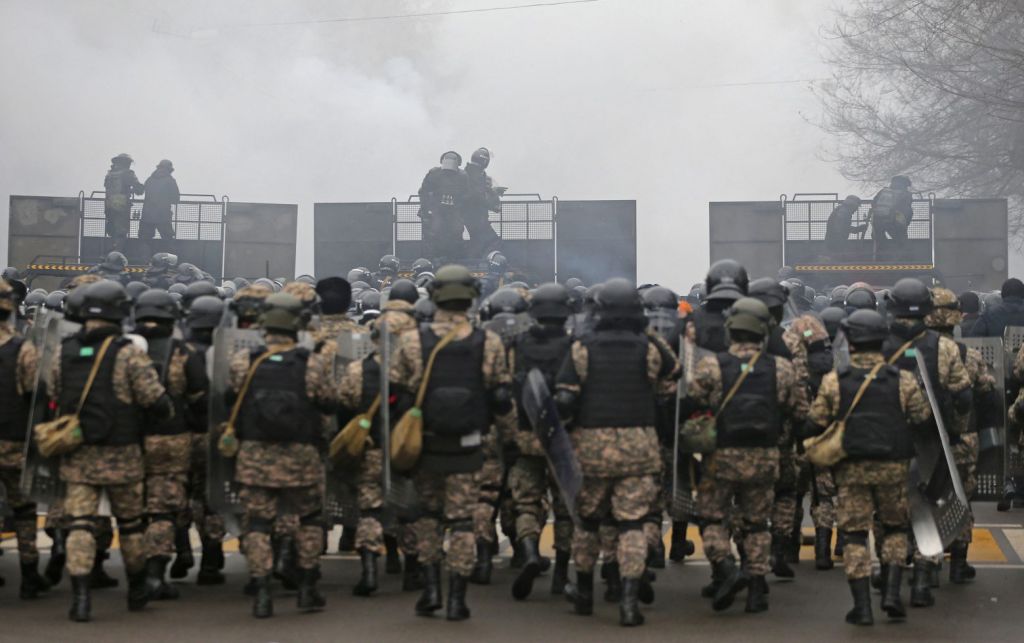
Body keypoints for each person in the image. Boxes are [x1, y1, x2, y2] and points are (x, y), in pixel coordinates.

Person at [388, 264, 513, 621]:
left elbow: (396, 396)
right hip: (470, 447)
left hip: (425, 447)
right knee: (461, 521)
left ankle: (430, 590)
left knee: (428, 516)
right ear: (472, 297)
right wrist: (509, 439)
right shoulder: (488, 342)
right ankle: (458, 598)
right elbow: (501, 398)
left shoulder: (413, 340)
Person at [46, 280, 174, 622]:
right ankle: (136, 589)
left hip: (79, 452)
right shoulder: (127, 351)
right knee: (130, 526)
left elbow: (53, 391)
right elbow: (155, 400)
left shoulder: (66, 349)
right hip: (122, 452)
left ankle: (81, 598)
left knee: (80, 526)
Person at [555, 278, 680, 627]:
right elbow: (675, 374)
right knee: (633, 524)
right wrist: (649, 333)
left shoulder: (582, 347)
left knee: (587, 522)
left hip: (592, 446)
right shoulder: (649, 348)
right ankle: (628, 603)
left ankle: (582, 594)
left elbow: (564, 397)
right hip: (640, 446)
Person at [804, 309, 930, 626]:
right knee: (895, 528)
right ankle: (890, 592)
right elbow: (922, 419)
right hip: (893, 466)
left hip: (852, 468)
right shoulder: (902, 380)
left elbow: (813, 423)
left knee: (855, 534)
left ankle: (861, 607)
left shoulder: (835, 381)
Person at [687, 297, 807, 614]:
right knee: (757, 524)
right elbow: (799, 411)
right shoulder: (781, 368)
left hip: (721, 456)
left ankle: (726, 567)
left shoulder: (712, 365)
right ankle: (756, 591)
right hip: (765, 456)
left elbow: (692, 401)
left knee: (712, 517)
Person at [228, 292, 338, 618]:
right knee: (308, 519)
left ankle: (261, 592)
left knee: (258, 524)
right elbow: (329, 403)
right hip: (300, 455)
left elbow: (231, 397)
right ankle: (307, 587)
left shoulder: (243, 361)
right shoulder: (311, 364)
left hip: (254, 456)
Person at [881, 277, 971, 607]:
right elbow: (964, 396)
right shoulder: (945, 347)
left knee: (889, 514)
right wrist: (955, 431)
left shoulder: (878, 345)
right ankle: (921, 583)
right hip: (932, 442)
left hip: (887, 442)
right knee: (929, 511)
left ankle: (889, 586)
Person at [132, 289, 208, 601]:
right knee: (164, 508)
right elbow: (199, 397)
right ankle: (153, 575)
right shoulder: (182, 352)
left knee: (133, 511)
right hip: (171, 439)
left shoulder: (122, 349)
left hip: (127, 439)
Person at [506, 282, 575, 600]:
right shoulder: (575, 346)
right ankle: (561, 573)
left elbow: (506, 387)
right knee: (565, 509)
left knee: (527, 503)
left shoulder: (517, 344)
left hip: (526, 434)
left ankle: (531, 551)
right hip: (563, 437)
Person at [0, 279, 51, 598]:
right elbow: (37, 394)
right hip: (13, 442)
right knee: (23, 510)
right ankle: (30, 575)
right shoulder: (23, 349)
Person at [181, 295, 227, 584]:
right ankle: (211, 560)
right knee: (211, 500)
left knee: (177, 495)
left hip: (181, 436)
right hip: (215, 436)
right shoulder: (228, 354)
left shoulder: (179, 353)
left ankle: (181, 547)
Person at [418, 152, 470, 262]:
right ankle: (435, 259)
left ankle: (452, 259)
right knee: (435, 232)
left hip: (452, 210)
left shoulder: (462, 176)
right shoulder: (435, 173)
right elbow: (424, 192)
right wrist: (427, 208)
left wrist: (459, 204)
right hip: (437, 208)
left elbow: (466, 194)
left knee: (455, 232)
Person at [463, 147, 504, 257]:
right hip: (476, 216)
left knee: (477, 241)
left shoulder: (468, 172)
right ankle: (483, 262)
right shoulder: (476, 175)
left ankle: (473, 262)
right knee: (493, 241)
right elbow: (478, 195)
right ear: (485, 162)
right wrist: (492, 196)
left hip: (470, 216)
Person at [103, 154, 144, 252]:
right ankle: (117, 253)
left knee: (112, 230)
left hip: (109, 205)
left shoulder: (110, 174)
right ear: (126, 163)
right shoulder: (127, 173)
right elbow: (139, 189)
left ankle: (109, 251)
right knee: (121, 231)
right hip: (121, 205)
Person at [139, 160, 180, 253]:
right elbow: (176, 199)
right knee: (168, 239)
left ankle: (145, 261)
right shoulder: (170, 180)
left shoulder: (150, 179)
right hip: (163, 216)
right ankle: (170, 261)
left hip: (147, 215)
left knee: (144, 239)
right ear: (169, 169)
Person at [868, 176, 914, 251]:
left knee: (879, 240)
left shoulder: (883, 191)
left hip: (877, 221)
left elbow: (873, 203)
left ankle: (881, 256)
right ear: (905, 184)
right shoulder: (906, 194)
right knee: (902, 242)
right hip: (894, 222)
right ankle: (903, 258)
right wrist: (905, 224)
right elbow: (906, 210)